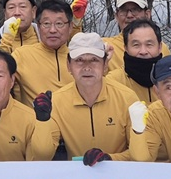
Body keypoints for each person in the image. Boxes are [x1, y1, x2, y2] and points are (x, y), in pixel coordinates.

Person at [47, 32, 136, 163]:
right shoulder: (57, 101)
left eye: (94, 60)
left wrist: (109, 159)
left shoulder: (127, 98)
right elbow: (42, 154)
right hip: (75, 174)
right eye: (79, 60)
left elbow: (139, 153)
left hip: (120, 174)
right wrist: (42, 121)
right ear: (68, 65)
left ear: (105, 65)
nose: (87, 68)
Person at [0, 0, 76, 107]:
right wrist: (6, 40)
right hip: (33, 117)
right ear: (39, 26)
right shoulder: (22, 55)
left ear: (70, 27)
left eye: (59, 24)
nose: (52, 30)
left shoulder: (79, 58)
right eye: (46, 24)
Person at [116, 18, 166, 105]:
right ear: (126, 48)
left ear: (160, 47)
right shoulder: (114, 82)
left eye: (149, 44)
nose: (143, 51)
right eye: (136, 45)